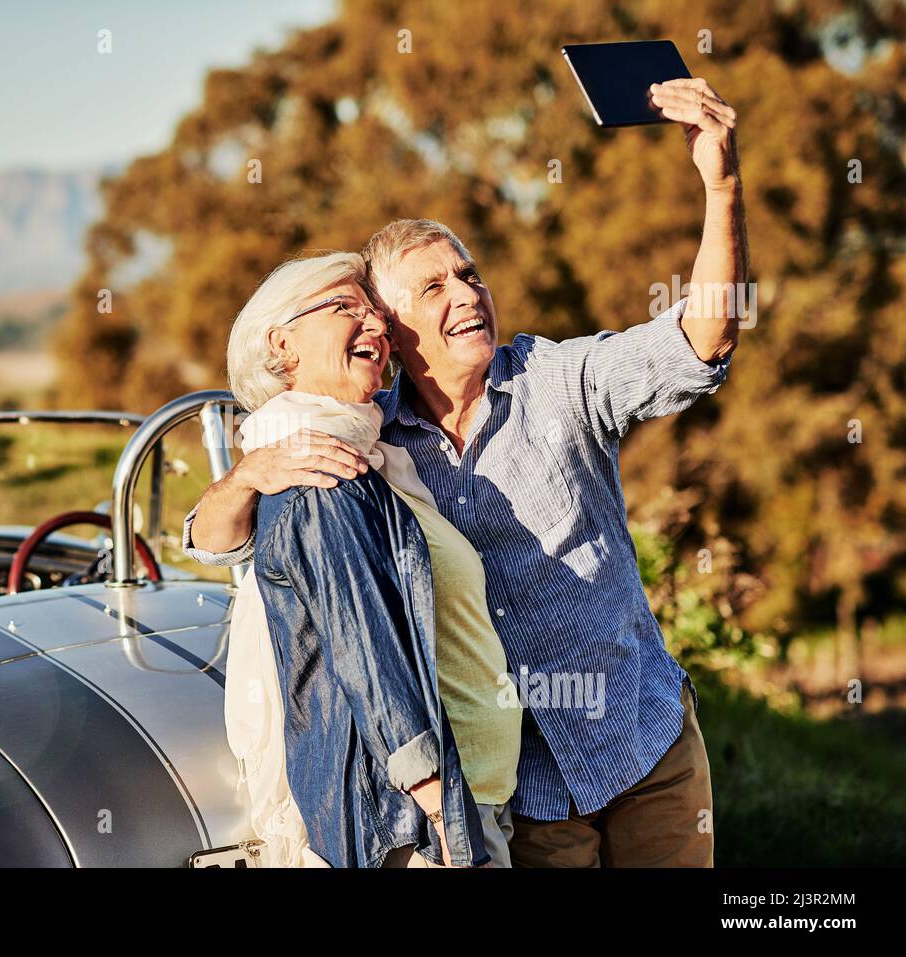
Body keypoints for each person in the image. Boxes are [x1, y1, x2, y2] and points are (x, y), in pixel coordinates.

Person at [188, 77, 747, 866]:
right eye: (434, 286)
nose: (467, 293)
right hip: (527, 792)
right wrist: (244, 478)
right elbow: (222, 547)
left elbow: (703, 339)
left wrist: (720, 188)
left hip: (645, 742)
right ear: (391, 324)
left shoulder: (559, 378)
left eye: (469, 273)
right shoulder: (370, 441)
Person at [221, 250, 520, 868]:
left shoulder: (365, 446)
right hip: (409, 824)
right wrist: (439, 810)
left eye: (377, 313)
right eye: (344, 308)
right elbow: (365, 646)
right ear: (283, 345)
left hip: (459, 801)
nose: (378, 327)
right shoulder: (318, 467)